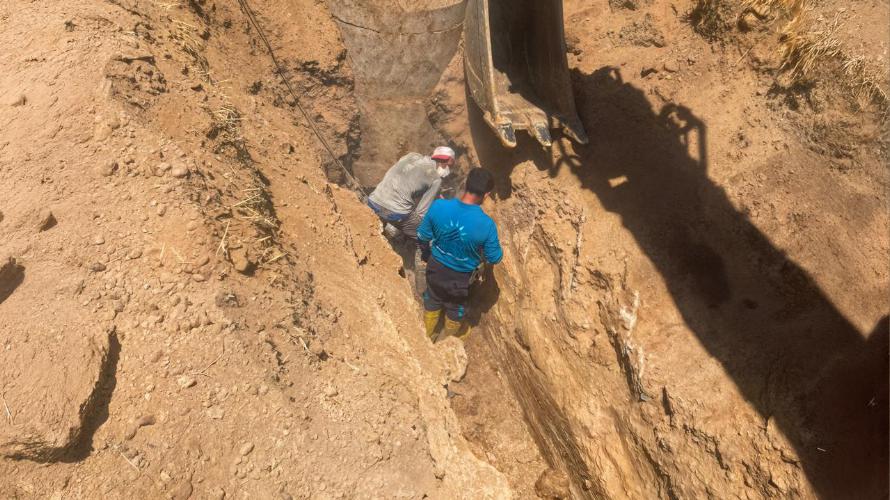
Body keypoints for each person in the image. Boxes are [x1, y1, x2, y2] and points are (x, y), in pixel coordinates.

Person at [417, 168, 503, 341]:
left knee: (432, 299)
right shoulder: (487, 225)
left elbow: (422, 236)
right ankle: (448, 340)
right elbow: (495, 258)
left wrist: (427, 256)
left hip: (435, 267)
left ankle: (427, 336)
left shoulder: (439, 206)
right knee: (455, 308)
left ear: (465, 184)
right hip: (460, 279)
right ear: (486, 195)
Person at [366, 146, 455, 241]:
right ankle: (401, 241)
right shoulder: (436, 179)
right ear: (442, 162)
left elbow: (406, 179)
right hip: (395, 214)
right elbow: (421, 213)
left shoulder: (411, 156)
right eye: (448, 166)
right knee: (427, 235)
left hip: (373, 201)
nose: (448, 170)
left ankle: (383, 227)